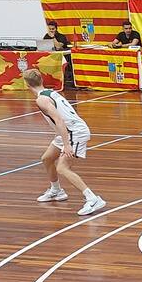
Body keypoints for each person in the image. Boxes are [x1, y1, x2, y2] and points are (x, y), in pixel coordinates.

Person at [27, 69, 107, 217]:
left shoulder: (41, 100)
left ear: (27, 85)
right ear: (41, 80)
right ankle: (56, 191)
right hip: (66, 131)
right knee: (47, 158)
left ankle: (92, 199)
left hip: (73, 132)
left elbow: (59, 120)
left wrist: (67, 144)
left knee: (62, 168)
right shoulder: (49, 92)